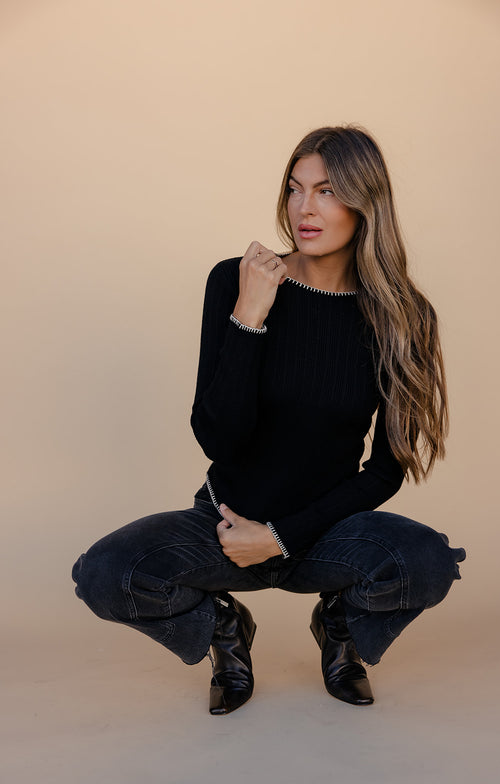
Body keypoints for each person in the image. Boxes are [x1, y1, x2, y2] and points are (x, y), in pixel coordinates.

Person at [72, 125, 465, 715]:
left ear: (366, 203)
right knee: (103, 575)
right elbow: (219, 437)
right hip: (226, 525)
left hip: (328, 533)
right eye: (294, 188)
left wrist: (282, 536)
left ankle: (341, 629)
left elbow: (386, 469)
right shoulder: (237, 278)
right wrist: (251, 313)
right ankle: (225, 632)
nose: (305, 208)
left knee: (430, 562)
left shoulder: (403, 316)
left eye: (328, 191)